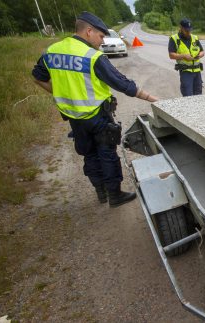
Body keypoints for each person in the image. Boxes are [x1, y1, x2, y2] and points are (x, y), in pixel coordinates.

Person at [32, 11, 158, 208]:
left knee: (89, 154)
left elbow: (38, 77)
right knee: (107, 153)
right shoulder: (92, 56)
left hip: (74, 116)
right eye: (101, 36)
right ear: (89, 31)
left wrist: (60, 93)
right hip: (97, 116)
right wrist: (153, 99)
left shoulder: (52, 51)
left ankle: (100, 193)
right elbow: (122, 83)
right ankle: (115, 195)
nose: (102, 41)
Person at [168, 18, 205, 97]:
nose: (188, 32)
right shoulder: (174, 38)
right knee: (188, 95)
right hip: (186, 72)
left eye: (190, 30)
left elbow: (202, 51)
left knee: (199, 95)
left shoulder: (195, 38)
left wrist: (199, 55)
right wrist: (183, 56)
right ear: (181, 28)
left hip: (197, 71)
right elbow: (171, 55)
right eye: (186, 30)